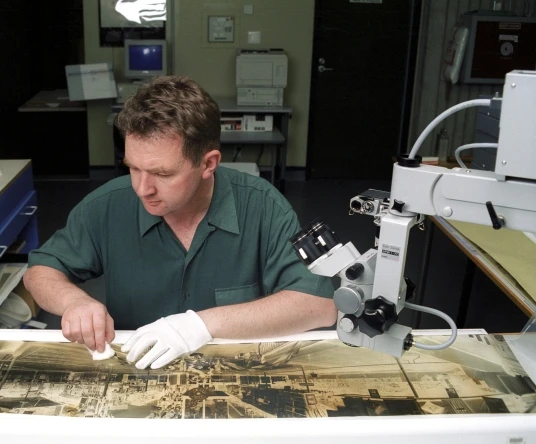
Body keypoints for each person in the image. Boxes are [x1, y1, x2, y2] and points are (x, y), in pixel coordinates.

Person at [24, 75, 337, 370]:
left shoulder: (263, 207)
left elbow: (318, 304)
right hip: (137, 370)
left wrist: (198, 325)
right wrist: (74, 302)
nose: (142, 188)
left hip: (231, 371)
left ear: (208, 164)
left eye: (162, 174)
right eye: (133, 168)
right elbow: (40, 272)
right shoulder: (108, 206)